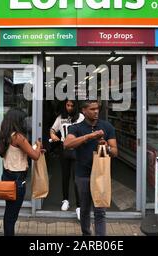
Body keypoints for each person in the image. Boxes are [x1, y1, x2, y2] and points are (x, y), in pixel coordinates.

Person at [63, 99, 118, 236]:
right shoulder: (76, 128)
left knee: (100, 211)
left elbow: (115, 152)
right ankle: (86, 234)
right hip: (83, 175)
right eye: (92, 109)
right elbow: (67, 144)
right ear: (84, 111)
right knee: (85, 210)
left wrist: (107, 147)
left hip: (101, 175)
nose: (96, 111)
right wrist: (89, 136)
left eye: (97, 108)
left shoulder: (107, 126)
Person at [0, 108, 43, 236]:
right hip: (17, 180)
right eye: (22, 120)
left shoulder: (5, 135)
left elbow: (19, 152)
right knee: (12, 215)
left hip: (7, 176)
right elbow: (35, 156)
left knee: (9, 212)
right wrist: (38, 146)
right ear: (17, 121)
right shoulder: (18, 137)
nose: (24, 122)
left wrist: (34, 150)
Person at [50, 99, 84, 218]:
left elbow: (86, 131)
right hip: (64, 150)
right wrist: (53, 135)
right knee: (65, 176)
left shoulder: (80, 117)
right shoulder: (61, 117)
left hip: (77, 150)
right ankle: (65, 200)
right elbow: (52, 129)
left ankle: (79, 206)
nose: (69, 107)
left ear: (75, 106)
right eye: (67, 105)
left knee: (76, 178)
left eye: (71, 105)